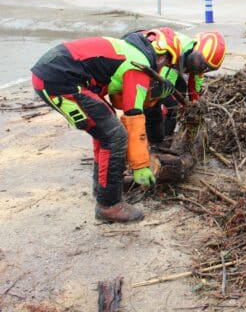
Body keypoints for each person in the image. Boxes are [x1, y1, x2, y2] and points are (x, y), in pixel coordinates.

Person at [30, 31, 178, 223]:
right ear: (162, 57)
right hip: (60, 81)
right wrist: (140, 165)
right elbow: (133, 114)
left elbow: (119, 99)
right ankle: (109, 204)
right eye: (166, 63)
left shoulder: (131, 52)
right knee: (115, 135)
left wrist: (151, 93)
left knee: (106, 130)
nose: (164, 68)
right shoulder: (138, 64)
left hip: (60, 75)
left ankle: (102, 189)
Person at [131, 27, 226, 144]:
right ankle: (158, 139)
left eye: (205, 68)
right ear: (196, 49)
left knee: (180, 88)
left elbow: (195, 86)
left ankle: (166, 133)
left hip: (164, 66)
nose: (200, 69)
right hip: (140, 55)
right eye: (200, 64)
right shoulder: (176, 53)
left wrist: (194, 106)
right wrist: (173, 105)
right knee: (167, 106)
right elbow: (162, 83)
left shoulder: (198, 60)